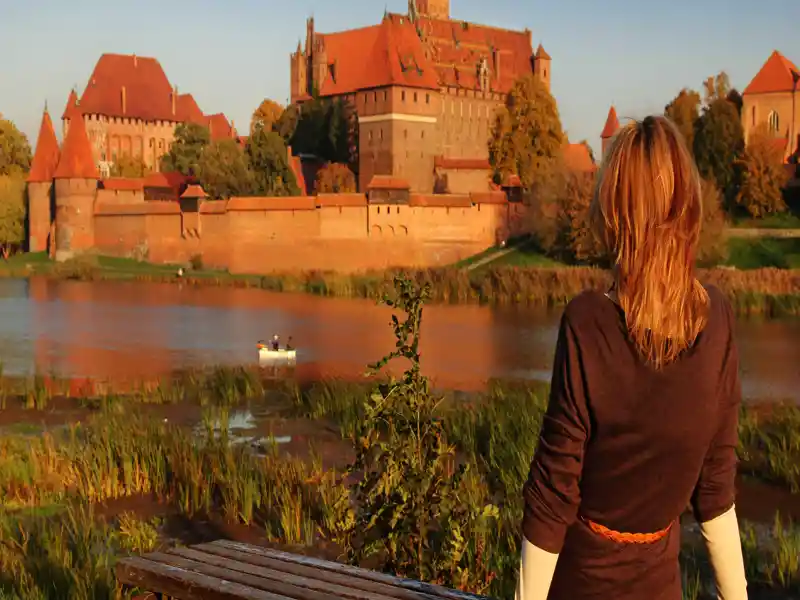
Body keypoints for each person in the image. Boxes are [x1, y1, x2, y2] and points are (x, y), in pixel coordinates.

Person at [515, 116, 748, 600]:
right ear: (687, 208)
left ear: (615, 213)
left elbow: (552, 498)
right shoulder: (719, 318)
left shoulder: (587, 323)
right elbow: (716, 492)